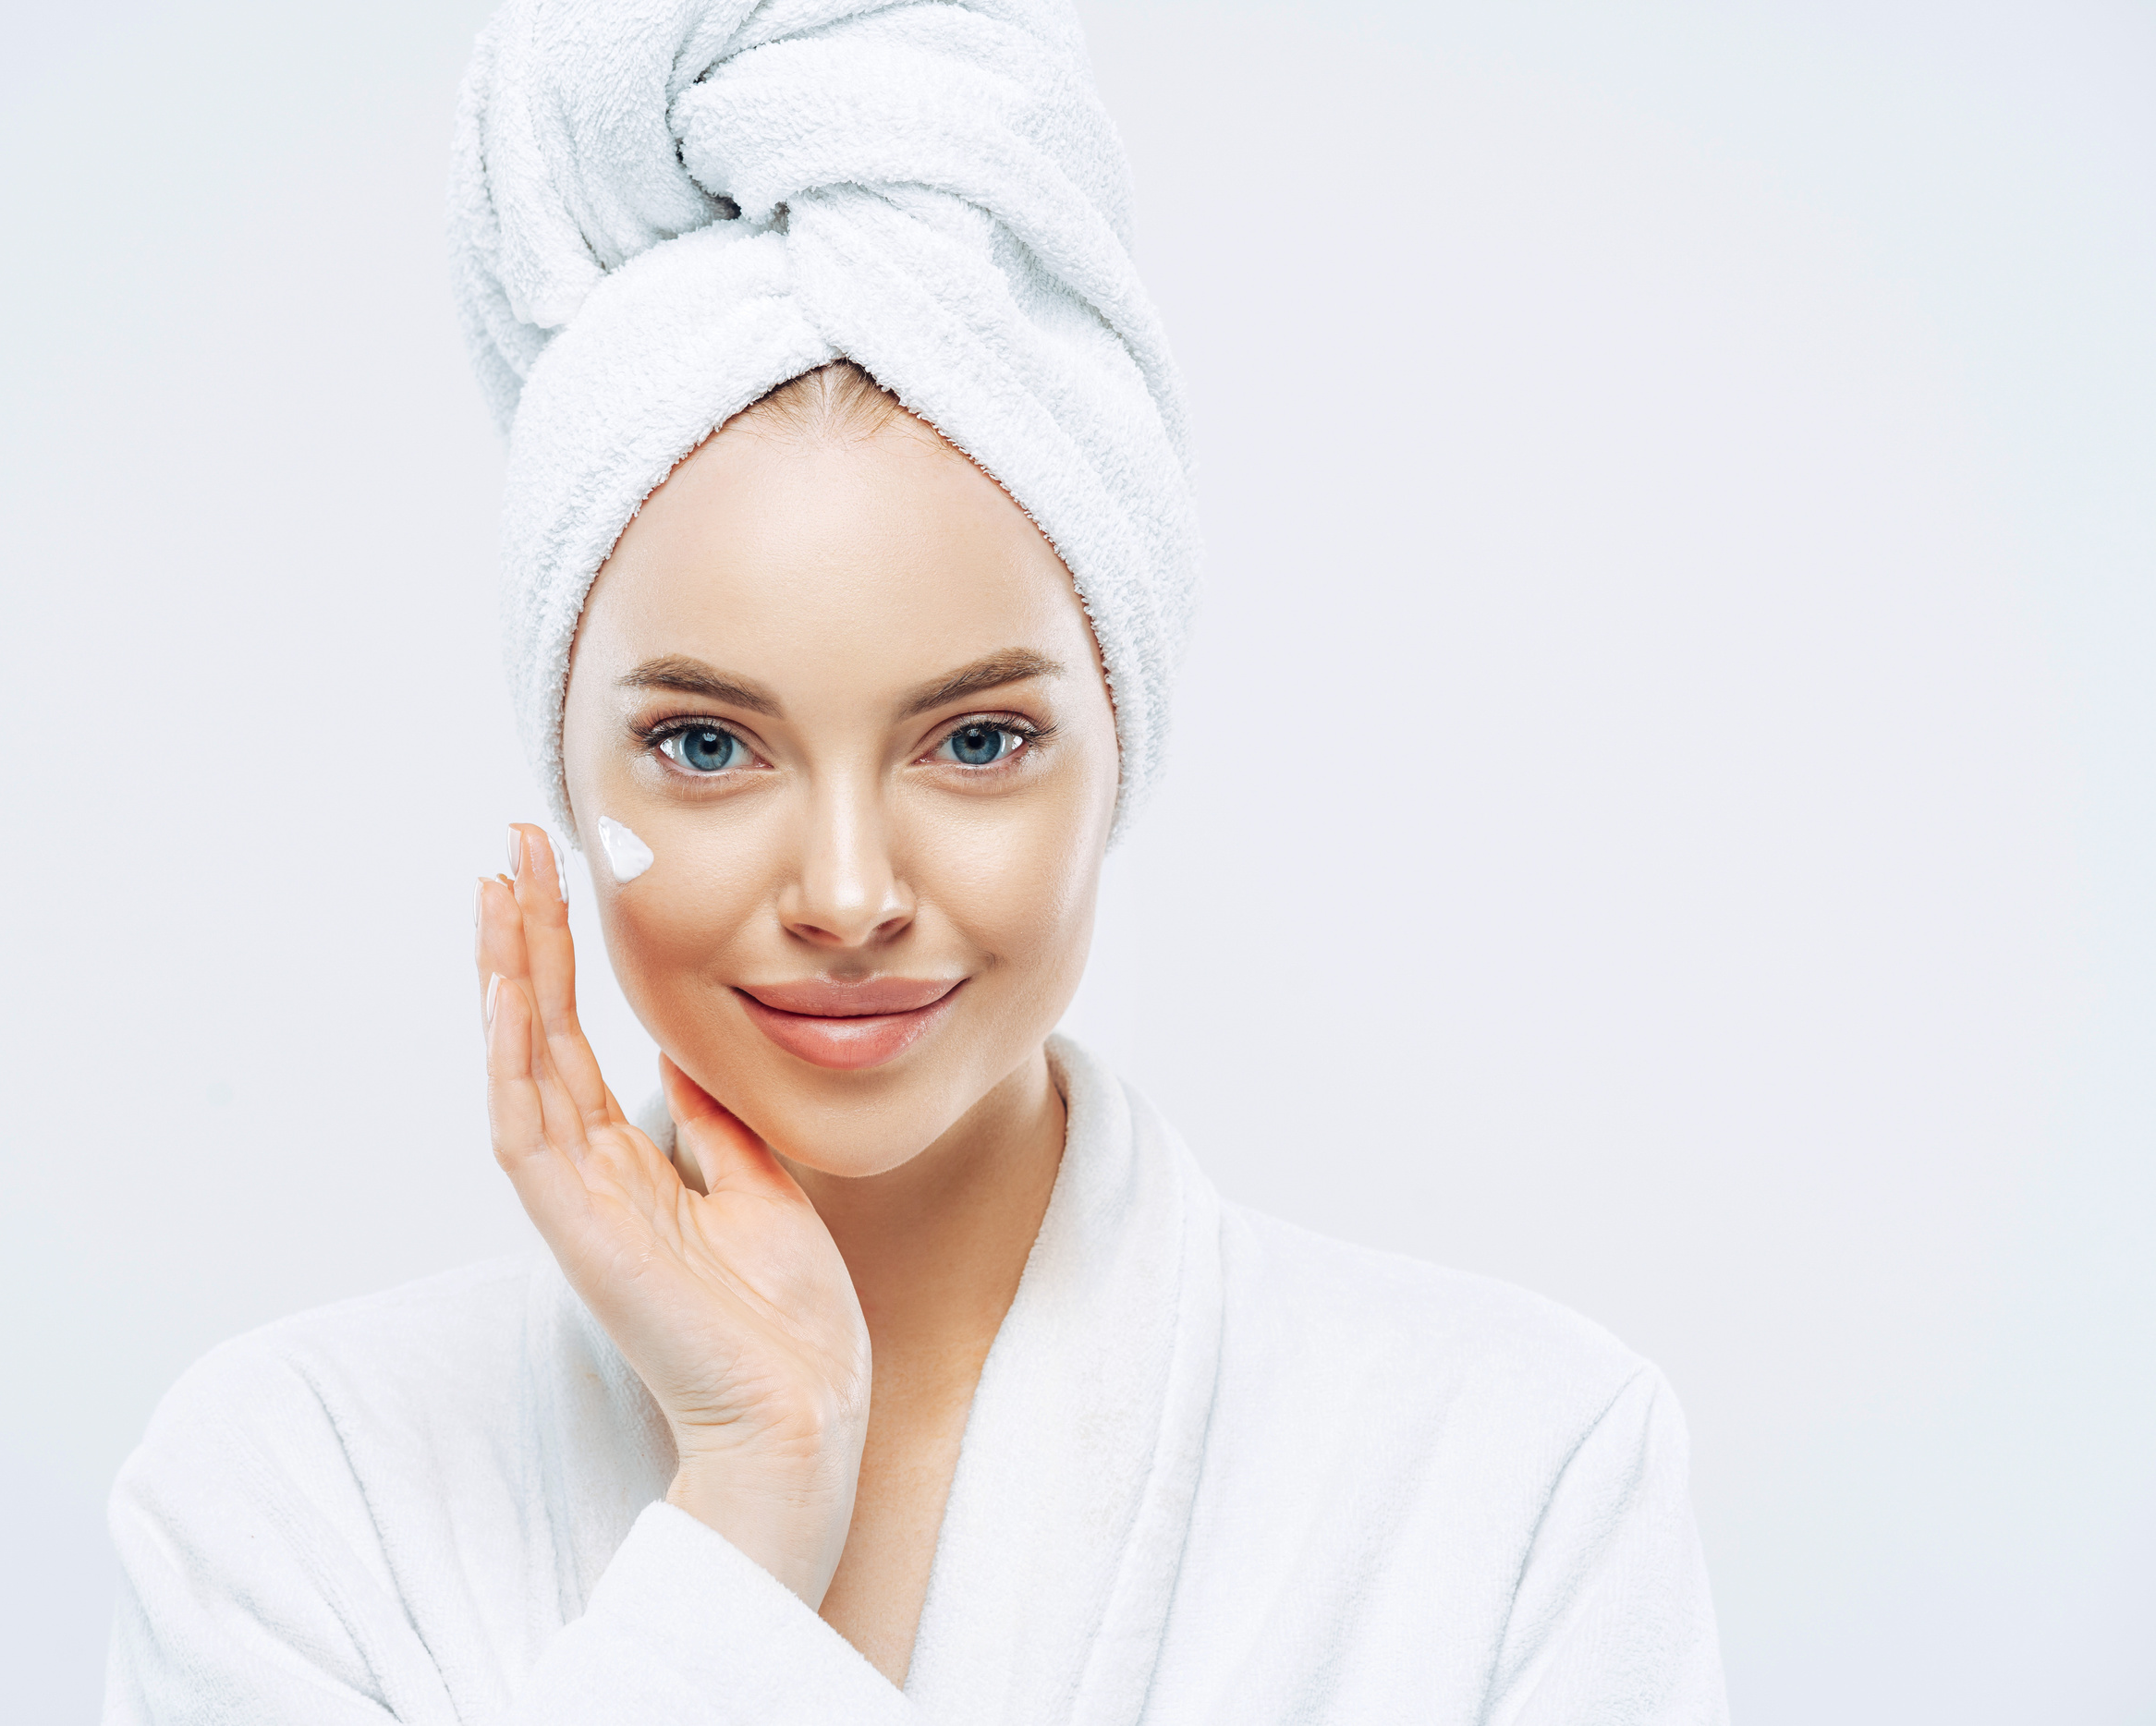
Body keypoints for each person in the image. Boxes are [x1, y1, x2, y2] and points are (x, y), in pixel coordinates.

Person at [104, 1, 1728, 1720]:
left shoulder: (1516, 1479)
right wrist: (749, 1491)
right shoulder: (296, 1494)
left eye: (975, 742)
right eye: (709, 747)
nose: (852, 891)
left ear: (1121, 751)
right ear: (567, 777)